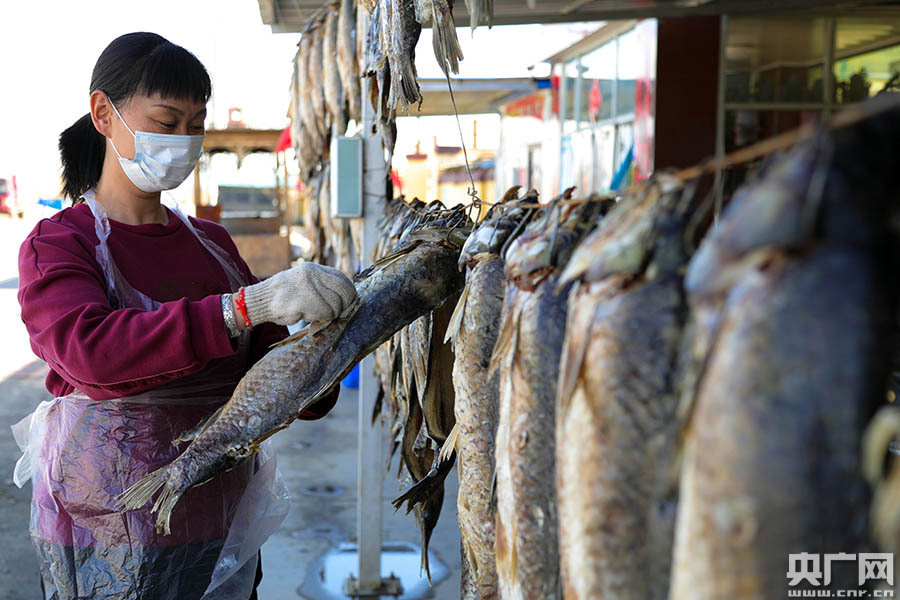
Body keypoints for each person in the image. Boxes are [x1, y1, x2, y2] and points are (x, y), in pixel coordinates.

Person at [13, 32, 358, 600]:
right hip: (107, 529)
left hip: (221, 525)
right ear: (104, 113)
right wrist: (243, 308)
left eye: (196, 124)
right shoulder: (59, 244)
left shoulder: (213, 244)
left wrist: (328, 344)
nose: (185, 140)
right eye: (167, 122)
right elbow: (92, 354)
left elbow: (278, 375)